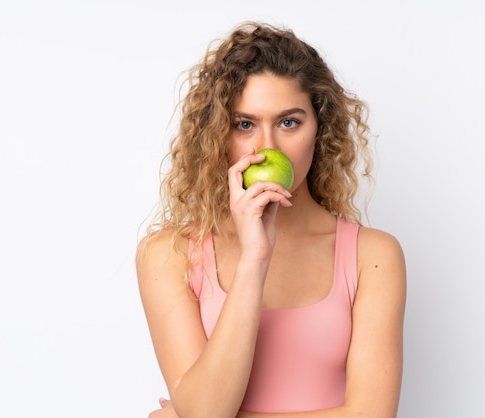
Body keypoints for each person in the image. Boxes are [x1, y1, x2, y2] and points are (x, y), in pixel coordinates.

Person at [136, 21, 406, 418]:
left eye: (289, 122)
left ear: (321, 129)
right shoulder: (169, 254)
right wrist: (253, 260)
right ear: (219, 136)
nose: (267, 147)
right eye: (245, 125)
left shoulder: (373, 255)